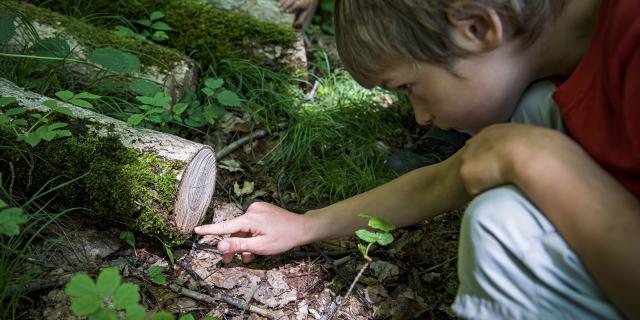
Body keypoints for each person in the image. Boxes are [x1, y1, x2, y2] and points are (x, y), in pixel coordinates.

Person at [195, 0, 640, 318]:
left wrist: (538, 159)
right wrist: (307, 224)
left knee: (503, 226)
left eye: (408, 88)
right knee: (534, 111)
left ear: (476, 27)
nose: (422, 117)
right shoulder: (563, 56)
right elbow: (459, 173)